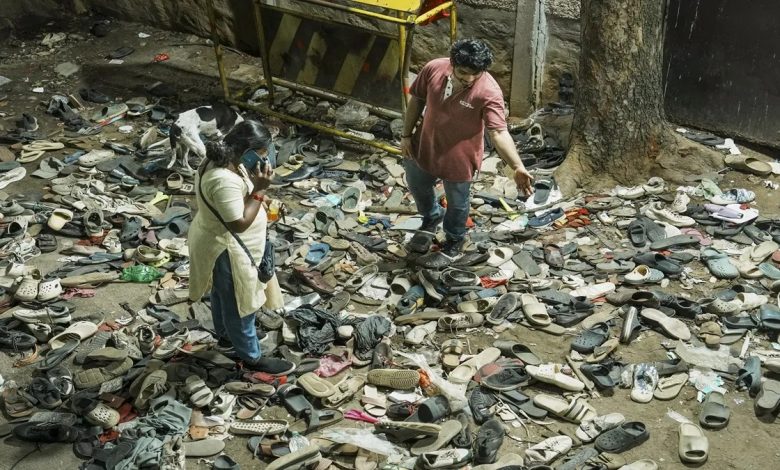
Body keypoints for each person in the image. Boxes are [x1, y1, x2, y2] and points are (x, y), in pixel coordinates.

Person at [401, 38, 534, 256]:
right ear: (452, 64)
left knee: (458, 204)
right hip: (424, 144)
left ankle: (454, 238)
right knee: (417, 185)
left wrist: (517, 165)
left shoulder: (488, 92)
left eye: (476, 74)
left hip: (459, 157)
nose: (469, 79)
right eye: (463, 73)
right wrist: (406, 135)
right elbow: (416, 99)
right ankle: (432, 217)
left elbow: (499, 132)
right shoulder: (434, 68)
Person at [187, 120, 294, 375]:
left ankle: (226, 340)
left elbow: (237, 200)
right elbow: (238, 223)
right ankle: (252, 357)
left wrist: (262, 197)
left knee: (223, 294)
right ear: (246, 150)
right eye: (261, 153)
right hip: (228, 248)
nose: (265, 158)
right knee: (240, 304)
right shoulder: (223, 178)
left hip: (219, 242)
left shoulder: (228, 161)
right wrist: (259, 191)